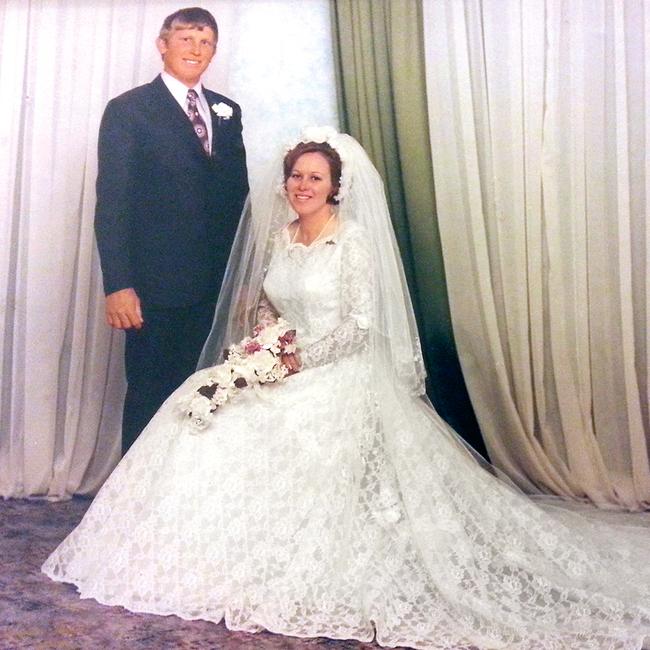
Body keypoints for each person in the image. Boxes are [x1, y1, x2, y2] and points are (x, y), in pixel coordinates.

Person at [45, 128, 650, 649]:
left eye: (314, 177)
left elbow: (359, 330)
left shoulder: (352, 241)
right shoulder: (281, 237)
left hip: (335, 373)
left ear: (335, 185)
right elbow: (266, 306)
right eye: (295, 176)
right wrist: (260, 350)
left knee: (271, 427)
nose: (302, 186)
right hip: (280, 362)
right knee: (197, 406)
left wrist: (290, 363)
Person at [94, 7, 248, 454]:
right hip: (153, 288)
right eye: (186, 39)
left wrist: (240, 278)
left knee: (208, 396)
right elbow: (113, 205)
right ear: (163, 45)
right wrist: (118, 285)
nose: (196, 50)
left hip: (213, 286)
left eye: (206, 43)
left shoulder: (227, 111)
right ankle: (132, 506)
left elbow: (238, 198)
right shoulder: (128, 110)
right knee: (150, 395)